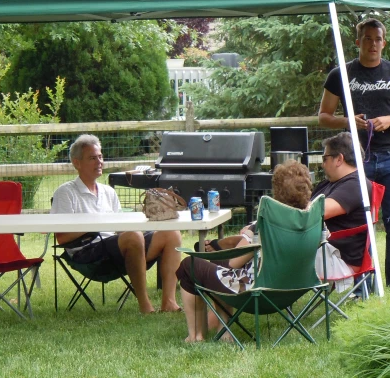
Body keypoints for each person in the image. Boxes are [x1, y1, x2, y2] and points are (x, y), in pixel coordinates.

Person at [318, 17, 390, 286]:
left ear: (384, 42)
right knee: (363, 224)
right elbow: (324, 116)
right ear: (358, 42)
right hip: (356, 160)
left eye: (378, 39)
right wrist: (348, 120)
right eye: (368, 39)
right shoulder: (340, 74)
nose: (373, 44)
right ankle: (365, 284)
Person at [176, 160, 312, 342]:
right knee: (219, 264)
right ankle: (224, 331)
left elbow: (234, 263)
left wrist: (248, 235)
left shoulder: (265, 224)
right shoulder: (311, 221)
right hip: (292, 289)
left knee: (188, 266)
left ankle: (196, 336)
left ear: (277, 191)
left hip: (255, 291)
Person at [50, 134, 182, 314]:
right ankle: (145, 305)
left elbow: (120, 227)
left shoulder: (107, 192)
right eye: (92, 158)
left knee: (171, 233)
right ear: (77, 163)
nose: (99, 162)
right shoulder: (65, 193)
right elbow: (62, 236)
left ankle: (169, 302)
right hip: (87, 253)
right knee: (133, 236)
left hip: (116, 248)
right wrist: (98, 224)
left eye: (100, 157)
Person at [314, 132, 372, 289]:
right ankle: (241, 283)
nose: (322, 164)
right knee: (253, 235)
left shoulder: (356, 184)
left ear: (339, 159)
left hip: (336, 260)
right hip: (319, 250)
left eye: (325, 158)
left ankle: (243, 285)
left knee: (266, 240)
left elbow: (316, 212)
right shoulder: (328, 184)